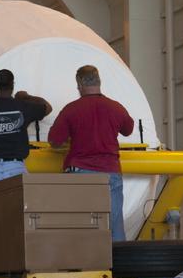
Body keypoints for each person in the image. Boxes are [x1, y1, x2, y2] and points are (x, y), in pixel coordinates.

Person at [47, 65, 134, 241]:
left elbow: (54, 141)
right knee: (114, 226)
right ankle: (119, 265)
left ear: (79, 84)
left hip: (80, 173)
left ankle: (83, 266)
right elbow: (128, 129)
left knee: (81, 227)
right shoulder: (116, 108)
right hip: (110, 173)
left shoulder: (71, 109)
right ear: (99, 82)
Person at [0, 69, 52, 184]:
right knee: (21, 202)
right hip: (16, 168)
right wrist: (26, 96)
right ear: (12, 85)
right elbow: (48, 107)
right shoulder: (24, 106)